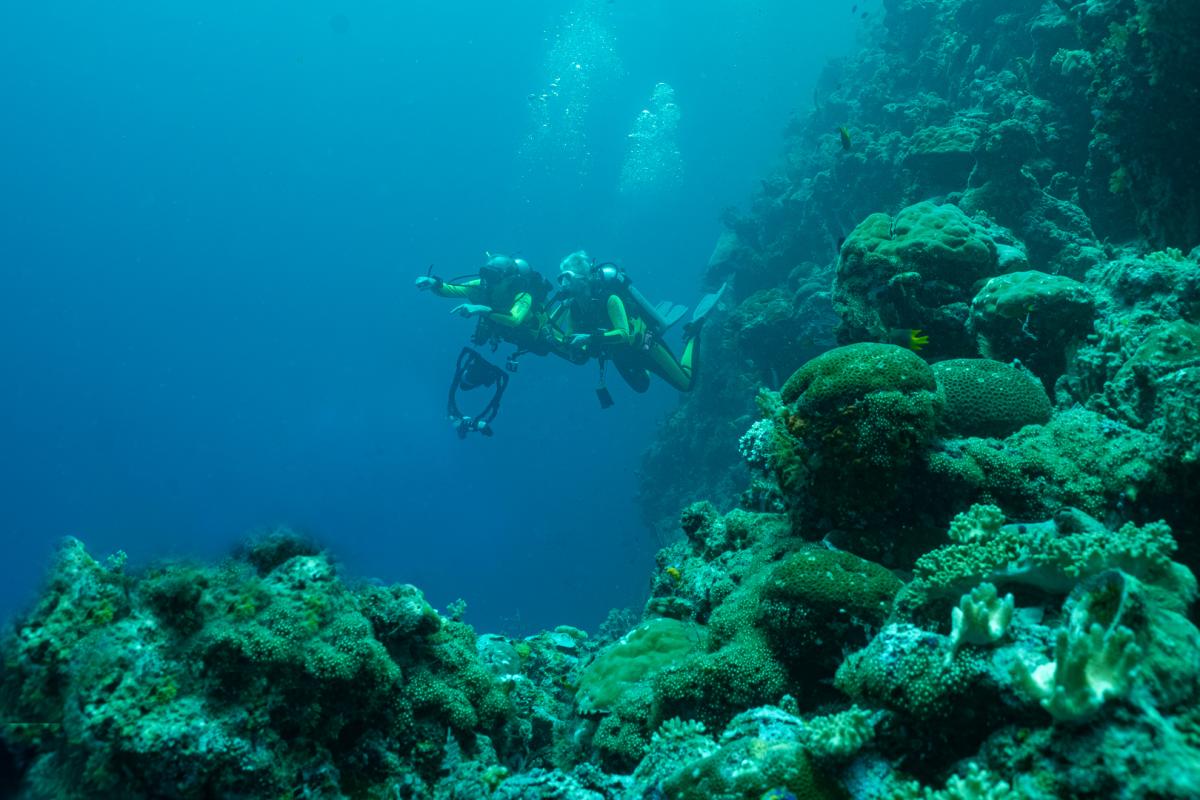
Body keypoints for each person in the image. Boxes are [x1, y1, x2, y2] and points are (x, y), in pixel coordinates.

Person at [552, 250, 724, 394]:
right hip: (619, 355)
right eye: (560, 279)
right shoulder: (573, 310)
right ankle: (649, 368)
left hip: (645, 347)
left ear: (583, 278)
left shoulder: (609, 299)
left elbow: (624, 334)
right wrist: (565, 344)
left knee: (686, 384)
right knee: (642, 387)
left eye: (567, 277)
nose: (563, 283)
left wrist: (589, 338)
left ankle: (693, 333)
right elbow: (571, 337)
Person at [415, 254, 566, 364]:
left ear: (510, 279)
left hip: (533, 335)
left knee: (569, 354)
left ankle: (566, 305)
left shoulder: (523, 295)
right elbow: (450, 289)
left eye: (493, 277)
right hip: (505, 331)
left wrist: (481, 309)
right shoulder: (480, 286)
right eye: (485, 273)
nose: (487, 280)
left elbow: (514, 319)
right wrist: (434, 283)